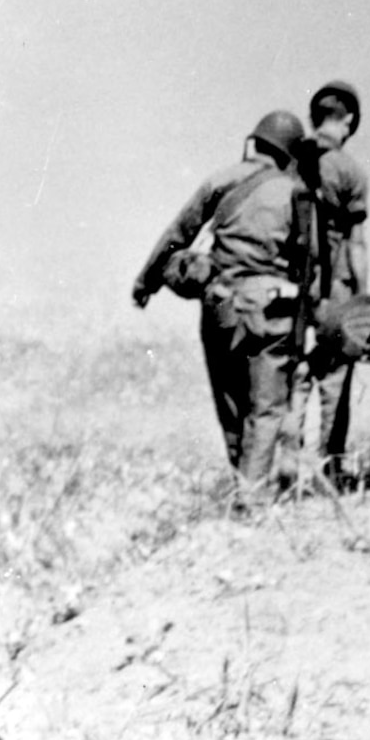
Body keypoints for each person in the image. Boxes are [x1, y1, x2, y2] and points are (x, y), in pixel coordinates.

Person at [132, 109, 313, 502]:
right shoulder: (296, 192)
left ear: (255, 142)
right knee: (265, 409)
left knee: (229, 403)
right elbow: (306, 263)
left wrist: (146, 282)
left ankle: (241, 489)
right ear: (289, 153)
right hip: (270, 311)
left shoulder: (220, 180)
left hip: (221, 306)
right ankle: (252, 496)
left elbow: (177, 235)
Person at [283, 79, 369, 484]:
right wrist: (362, 301)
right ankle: (330, 468)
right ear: (348, 120)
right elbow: (357, 243)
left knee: (295, 370)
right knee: (335, 373)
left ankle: (288, 463)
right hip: (333, 284)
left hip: (289, 282)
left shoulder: (287, 162)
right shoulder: (350, 169)